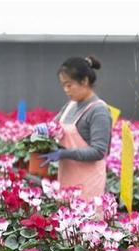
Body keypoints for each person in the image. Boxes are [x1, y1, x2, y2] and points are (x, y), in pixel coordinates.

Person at [35, 55, 112, 201]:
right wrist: (43, 130)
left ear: (84, 81)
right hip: (67, 178)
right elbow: (54, 126)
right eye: (63, 85)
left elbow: (99, 151)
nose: (65, 89)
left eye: (69, 85)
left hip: (88, 183)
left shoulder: (98, 111)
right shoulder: (70, 106)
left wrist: (63, 154)